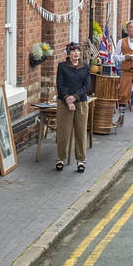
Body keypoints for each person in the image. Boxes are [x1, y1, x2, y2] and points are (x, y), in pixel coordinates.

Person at [55, 42, 90, 172]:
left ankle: (80, 160)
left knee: (80, 132)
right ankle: (60, 158)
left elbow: (86, 86)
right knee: (63, 132)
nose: (76, 53)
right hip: (64, 103)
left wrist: (74, 97)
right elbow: (60, 84)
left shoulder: (85, 67)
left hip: (80, 103)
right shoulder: (62, 67)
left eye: (77, 51)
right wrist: (67, 99)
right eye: (73, 51)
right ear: (68, 53)